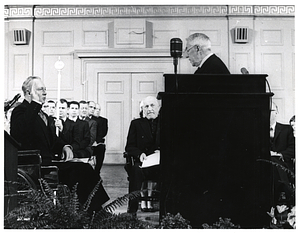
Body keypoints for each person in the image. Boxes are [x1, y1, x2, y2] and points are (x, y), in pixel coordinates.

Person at [10, 76, 109, 211]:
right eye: (40, 89)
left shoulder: (41, 114)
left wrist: (64, 146)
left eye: (45, 89)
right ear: (28, 92)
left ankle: (94, 210)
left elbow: (53, 139)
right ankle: (94, 211)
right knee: (82, 170)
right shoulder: (20, 111)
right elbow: (21, 132)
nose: (45, 92)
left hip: (48, 162)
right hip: (35, 166)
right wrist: (34, 102)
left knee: (85, 169)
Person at [125, 96, 161, 214]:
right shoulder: (136, 123)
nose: (150, 109)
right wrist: (139, 153)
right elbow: (129, 146)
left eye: (152, 105)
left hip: (161, 164)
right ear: (143, 109)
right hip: (143, 163)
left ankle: (169, 211)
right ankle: (132, 211)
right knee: (135, 171)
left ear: (158, 107)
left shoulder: (166, 122)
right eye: (146, 106)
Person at [269, 102, 295, 205]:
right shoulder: (257, 130)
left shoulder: (287, 129)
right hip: (265, 166)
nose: (269, 113)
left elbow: (294, 149)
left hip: (283, 165)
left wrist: (279, 155)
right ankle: (288, 192)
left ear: (277, 112)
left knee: (275, 160)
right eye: (267, 111)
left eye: (271, 111)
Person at [91, 102, 108, 176]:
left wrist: (96, 141)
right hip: (88, 143)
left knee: (101, 148)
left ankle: (97, 171)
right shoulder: (88, 120)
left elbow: (103, 133)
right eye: (95, 109)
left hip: (98, 142)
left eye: (99, 109)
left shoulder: (103, 120)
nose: (97, 111)